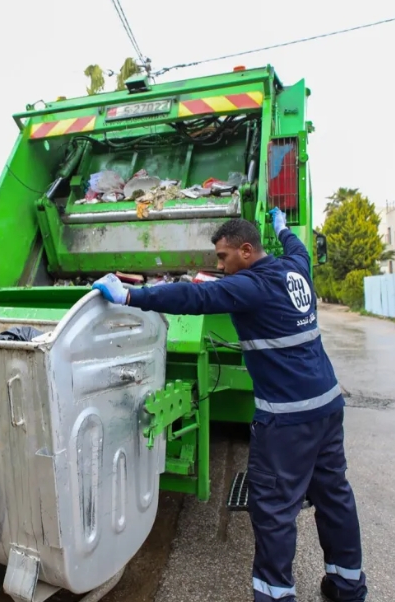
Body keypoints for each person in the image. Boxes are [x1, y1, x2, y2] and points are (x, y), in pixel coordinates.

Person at [91, 209, 367, 602]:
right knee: (333, 493)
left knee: (273, 508)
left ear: (247, 251)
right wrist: (283, 227)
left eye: (223, 257)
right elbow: (298, 248)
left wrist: (132, 295)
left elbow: (195, 296)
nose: (219, 266)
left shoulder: (251, 287)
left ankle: (274, 596)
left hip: (287, 419)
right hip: (327, 405)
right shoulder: (295, 269)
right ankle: (348, 586)